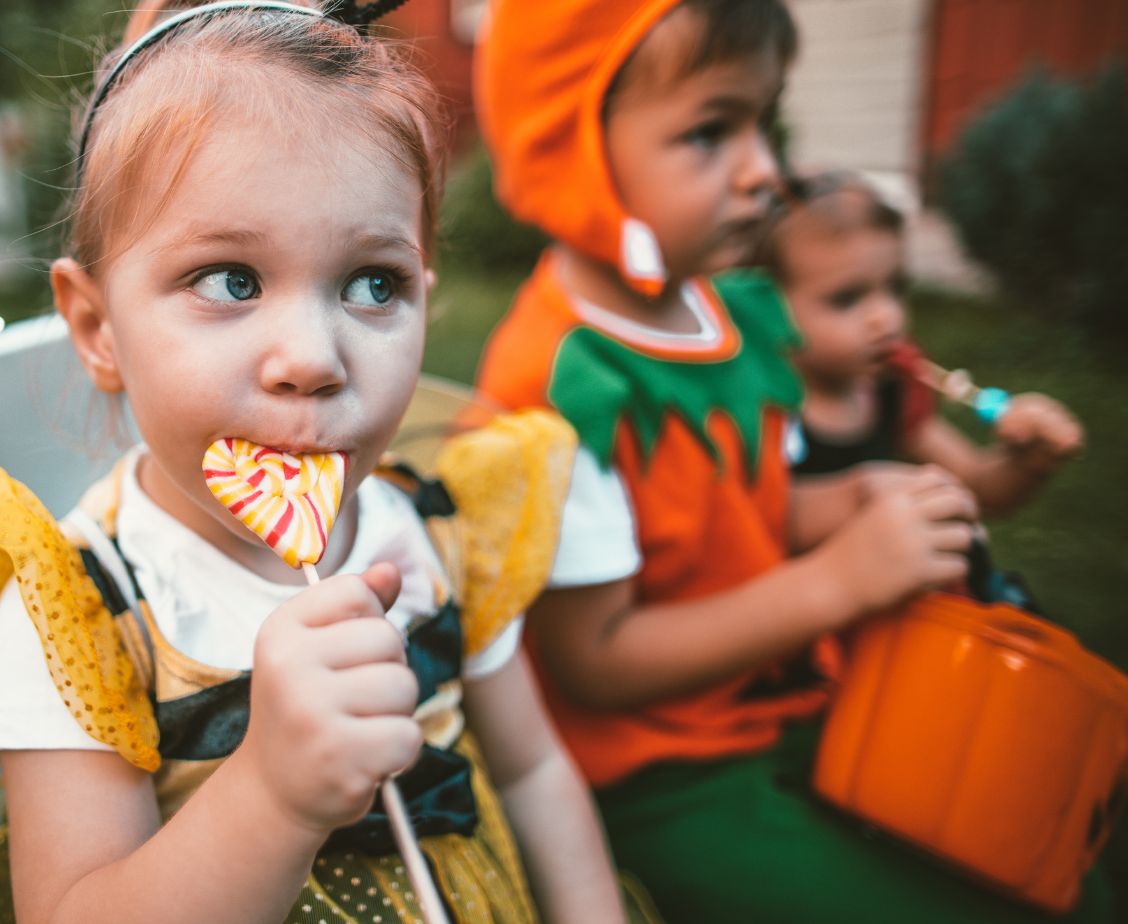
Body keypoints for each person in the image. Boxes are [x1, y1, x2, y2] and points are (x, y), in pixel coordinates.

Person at [0, 3, 638, 922]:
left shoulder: (437, 535)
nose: (313, 356)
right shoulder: (85, 614)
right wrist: (271, 792)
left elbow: (535, 770)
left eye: (371, 284)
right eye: (231, 280)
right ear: (97, 328)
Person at [471, 0, 1110, 920]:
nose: (764, 173)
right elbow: (597, 661)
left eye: (761, 123)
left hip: (788, 700)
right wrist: (837, 585)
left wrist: (854, 495)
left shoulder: (729, 314)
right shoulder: (568, 385)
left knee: (1047, 857)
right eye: (708, 133)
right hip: (666, 779)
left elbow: (746, 510)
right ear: (571, 146)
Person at [759, 170, 1085, 513]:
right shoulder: (762, 407)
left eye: (895, 288)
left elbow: (976, 487)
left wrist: (1026, 464)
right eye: (847, 298)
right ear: (763, 306)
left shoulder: (888, 390)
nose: (885, 317)